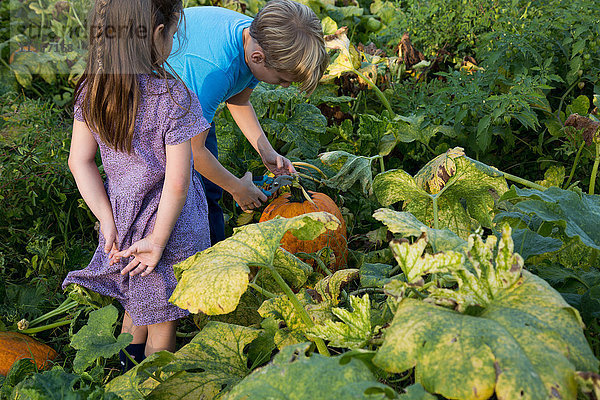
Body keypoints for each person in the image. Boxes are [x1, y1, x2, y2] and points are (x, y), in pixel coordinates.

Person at [62, 0, 213, 371]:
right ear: (158, 34)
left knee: (135, 305)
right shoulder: (173, 97)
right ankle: (151, 385)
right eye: (173, 34)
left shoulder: (93, 90)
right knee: (162, 319)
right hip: (170, 225)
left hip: (124, 218)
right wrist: (159, 241)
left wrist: (107, 218)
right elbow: (177, 183)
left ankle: (121, 375)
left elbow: (78, 161)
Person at [167, 0, 329, 245]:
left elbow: (238, 100)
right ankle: (193, 254)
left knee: (210, 186)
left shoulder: (254, 44)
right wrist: (236, 188)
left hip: (191, 105)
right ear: (258, 57)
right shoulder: (216, 70)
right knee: (185, 193)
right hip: (157, 104)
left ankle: (213, 248)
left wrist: (266, 151)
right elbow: (193, 151)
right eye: (282, 79)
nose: (285, 86)